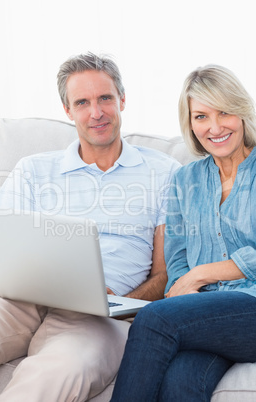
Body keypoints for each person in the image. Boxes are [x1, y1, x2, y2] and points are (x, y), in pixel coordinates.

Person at [0, 53, 180, 401]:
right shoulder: (33, 170)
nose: (96, 112)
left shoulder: (164, 173)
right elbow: (1, 246)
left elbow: (164, 274)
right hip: (18, 299)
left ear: (123, 100)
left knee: (60, 371)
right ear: (68, 110)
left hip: (103, 315)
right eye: (82, 102)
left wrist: (125, 301)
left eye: (105, 99)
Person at [110, 64, 256, 402]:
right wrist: (187, 285)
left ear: (242, 113)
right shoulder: (185, 180)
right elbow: (177, 260)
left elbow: (190, 275)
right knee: (181, 383)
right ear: (190, 124)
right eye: (201, 116)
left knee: (154, 318)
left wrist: (201, 275)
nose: (215, 127)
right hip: (208, 316)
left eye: (225, 113)